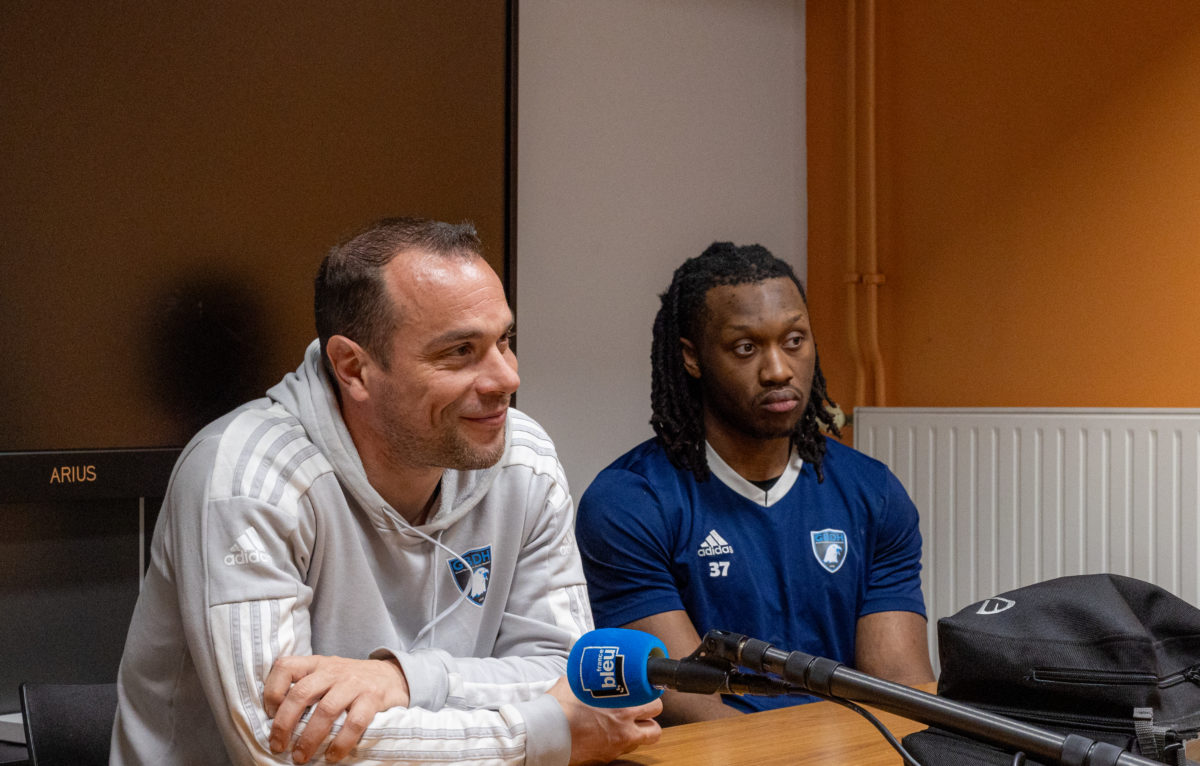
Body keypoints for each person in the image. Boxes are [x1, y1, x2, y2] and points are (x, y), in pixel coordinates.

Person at [112, 218, 661, 765]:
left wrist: (404, 679)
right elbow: (282, 746)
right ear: (354, 368)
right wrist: (538, 736)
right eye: (460, 352)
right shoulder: (244, 477)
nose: (506, 378)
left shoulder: (524, 459)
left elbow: (568, 675)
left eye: (504, 341)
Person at [575, 242, 934, 725]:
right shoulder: (630, 503)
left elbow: (901, 695)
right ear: (692, 358)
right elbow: (692, 710)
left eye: (794, 341)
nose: (779, 370)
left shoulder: (873, 493)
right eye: (746, 348)